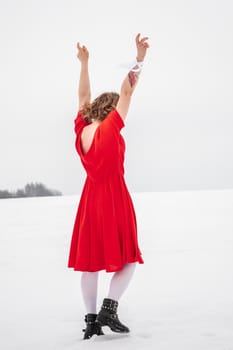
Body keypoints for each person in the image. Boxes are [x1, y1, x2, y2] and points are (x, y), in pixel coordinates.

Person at [67, 33, 149, 340]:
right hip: (114, 197)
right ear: (112, 108)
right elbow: (127, 92)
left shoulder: (82, 129)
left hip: (90, 199)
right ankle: (109, 310)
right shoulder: (113, 126)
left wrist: (84, 63)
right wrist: (139, 60)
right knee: (129, 259)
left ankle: (91, 320)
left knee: (90, 262)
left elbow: (82, 96)